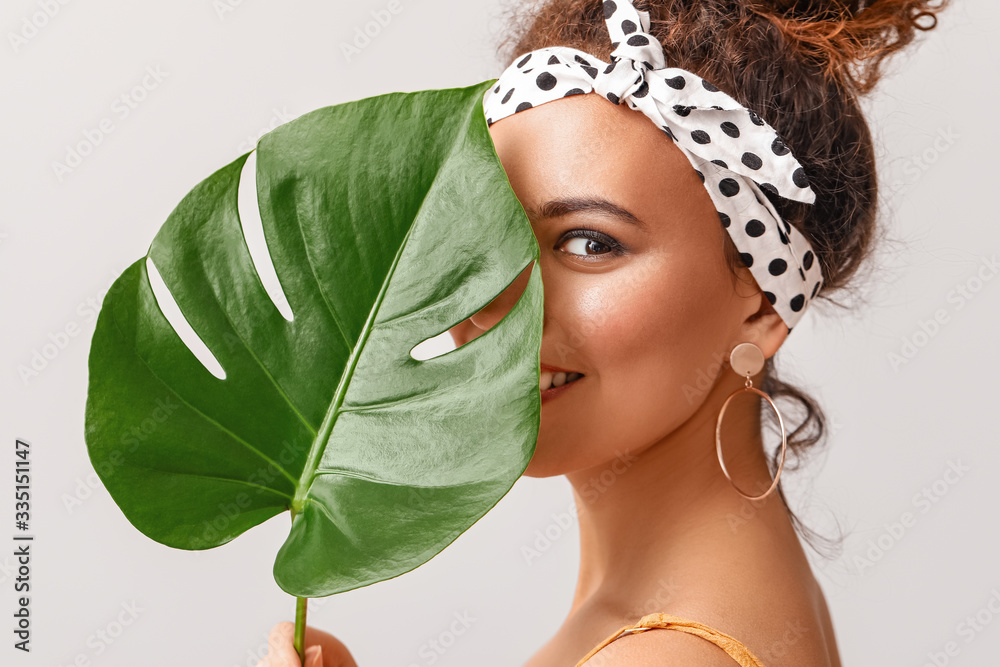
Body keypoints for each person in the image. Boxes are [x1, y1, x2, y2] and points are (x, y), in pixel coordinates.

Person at [256, 0, 948, 664]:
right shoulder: (690, 614)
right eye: (487, 231)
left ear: (765, 303)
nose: (502, 300)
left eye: (589, 244)